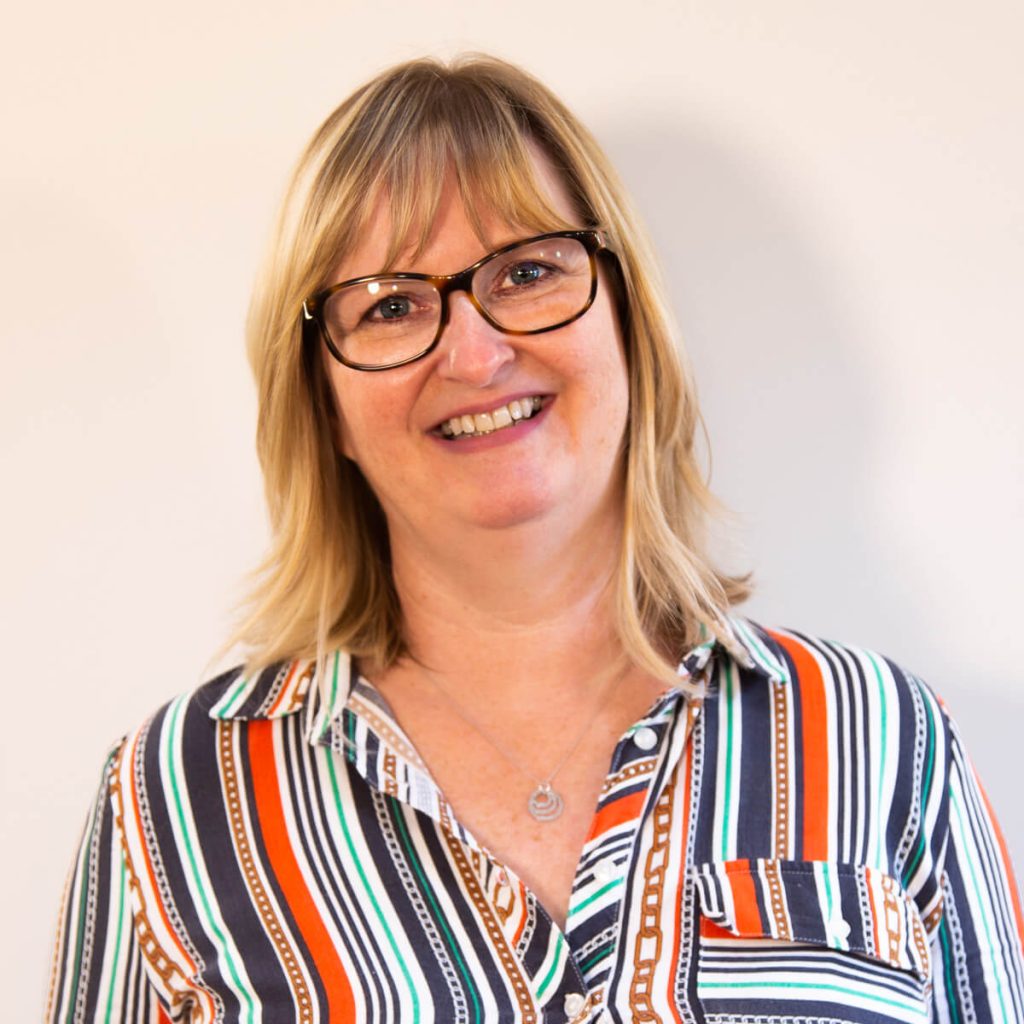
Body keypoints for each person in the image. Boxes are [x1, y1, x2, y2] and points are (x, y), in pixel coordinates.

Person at [47, 54, 1023, 1024]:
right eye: (391, 305)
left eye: (526, 271)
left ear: (629, 322)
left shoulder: (880, 737)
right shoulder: (175, 796)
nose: (473, 353)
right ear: (326, 406)